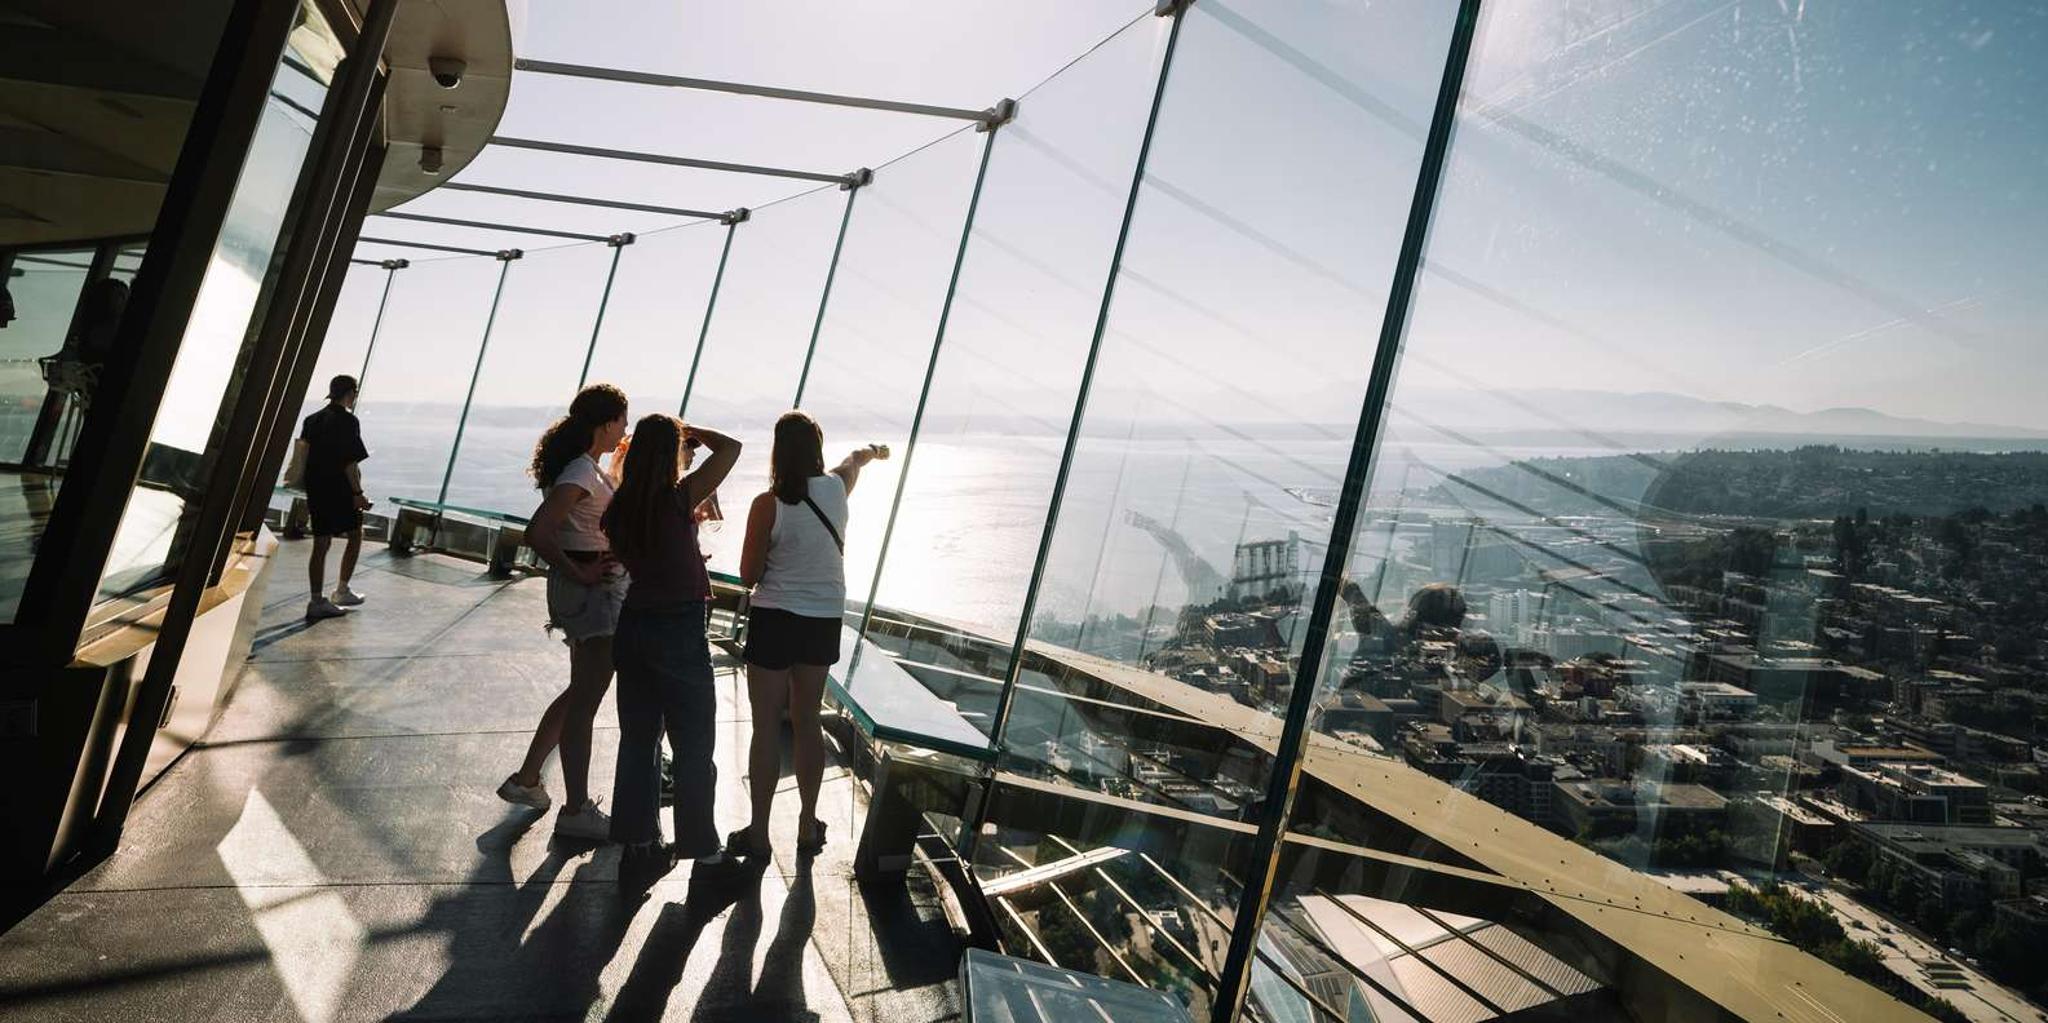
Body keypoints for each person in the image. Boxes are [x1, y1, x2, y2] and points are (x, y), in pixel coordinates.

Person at [732, 411, 886, 859]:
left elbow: (747, 575)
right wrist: (873, 453)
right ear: (816, 447)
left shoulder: (769, 503)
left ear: (778, 451)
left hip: (775, 619)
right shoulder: (837, 488)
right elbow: (854, 460)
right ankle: (806, 823)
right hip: (822, 619)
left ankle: (759, 833)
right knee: (806, 721)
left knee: (766, 728)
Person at [602, 414, 741, 886]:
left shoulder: (619, 509)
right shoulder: (676, 499)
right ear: (669, 454)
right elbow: (732, 448)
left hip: (634, 626)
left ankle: (638, 850)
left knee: (639, 743)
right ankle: (705, 856)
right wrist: (694, 430)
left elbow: (648, 556)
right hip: (678, 629)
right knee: (693, 744)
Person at [495, 384, 630, 842]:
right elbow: (539, 532)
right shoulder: (580, 470)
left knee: (580, 693)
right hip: (591, 595)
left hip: (584, 591)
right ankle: (575, 809)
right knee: (586, 704)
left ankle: (528, 779)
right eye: (622, 421)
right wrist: (582, 572)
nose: (625, 430)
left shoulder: (585, 467)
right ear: (606, 422)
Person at [300, 374, 372, 621]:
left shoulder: (311, 420)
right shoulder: (348, 422)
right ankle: (342, 590)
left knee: (321, 543)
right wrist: (358, 494)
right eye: (356, 392)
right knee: (355, 534)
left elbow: (304, 456)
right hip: (338, 489)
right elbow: (350, 464)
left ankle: (316, 599)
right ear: (350, 392)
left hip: (316, 488)